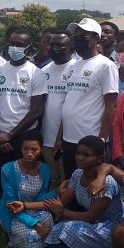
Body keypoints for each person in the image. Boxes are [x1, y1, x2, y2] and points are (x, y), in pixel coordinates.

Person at [43, 135, 124, 248]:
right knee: (54, 228)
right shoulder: (77, 174)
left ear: (99, 158)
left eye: (87, 155)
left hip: (114, 228)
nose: (80, 158)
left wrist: (62, 211)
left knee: (67, 229)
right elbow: (61, 202)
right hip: (94, 224)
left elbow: (90, 217)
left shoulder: (107, 182)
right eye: (78, 154)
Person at [57, 17, 118, 178]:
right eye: (75, 38)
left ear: (96, 39)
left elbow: (111, 106)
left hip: (90, 140)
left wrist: (102, 140)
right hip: (68, 137)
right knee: (71, 183)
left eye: (83, 37)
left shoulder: (106, 65)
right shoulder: (73, 66)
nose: (77, 41)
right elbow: (70, 102)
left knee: (89, 186)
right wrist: (60, 135)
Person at [0, 27, 47, 183]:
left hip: (23, 136)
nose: (14, 47)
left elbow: (36, 111)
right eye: (12, 43)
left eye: (20, 44)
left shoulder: (36, 74)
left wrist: (10, 135)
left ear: (29, 47)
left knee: (22, 180)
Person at [0, 129, 58, 248]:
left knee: (48, 219)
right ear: (21, 148)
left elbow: (41, 197)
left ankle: (42, 245)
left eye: (34, 150)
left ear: (41, 150)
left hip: (33, 208)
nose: (29, 153)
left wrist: (57, 191)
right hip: (13, 213)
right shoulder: (8, 169)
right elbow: (11, 205)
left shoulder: (44, 169)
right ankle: (19, 243)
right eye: (25, 149)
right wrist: (36, 225)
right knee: (28, 233)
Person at [40, 32, 76, 188]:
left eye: (60, 45)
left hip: (68, 137)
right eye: (52, 44)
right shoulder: (44, 70)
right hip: (46, 137)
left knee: (66, 181)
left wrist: (60, 136)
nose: (55, 48)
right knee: (51, 180)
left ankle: (65, 212)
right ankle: (51, 212)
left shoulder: (76, 69)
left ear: (71, 47)